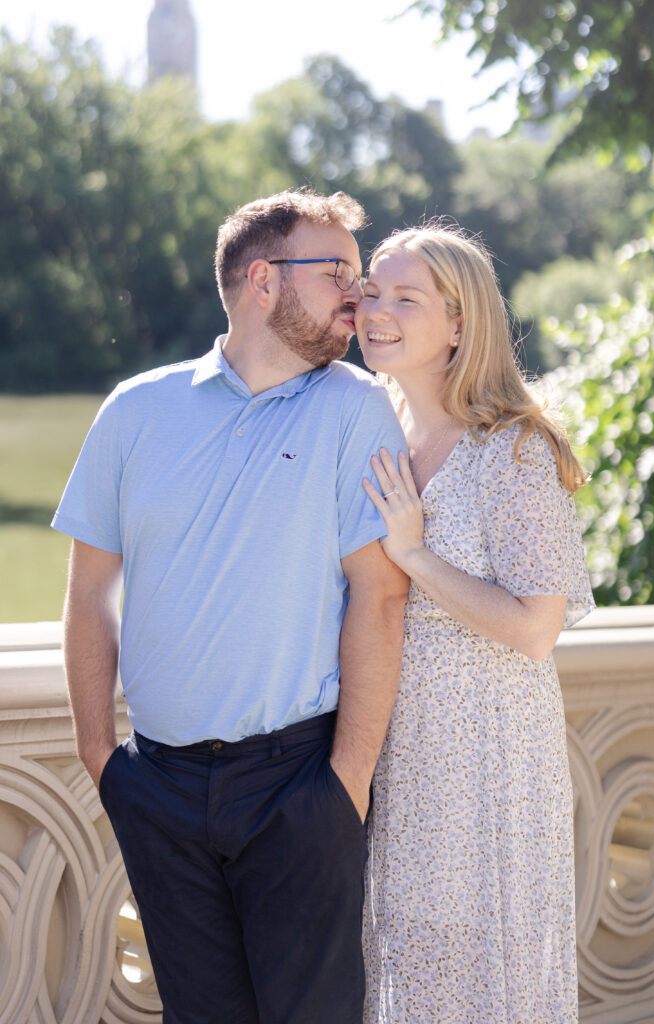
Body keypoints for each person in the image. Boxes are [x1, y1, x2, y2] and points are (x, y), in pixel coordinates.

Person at [52, 189, 409, 1024]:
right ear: (261, 280)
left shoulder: (356, 410)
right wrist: (104, 758)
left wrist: (344, 783)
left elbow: (379, 596)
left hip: (297, 785)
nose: (356, 298)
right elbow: (88, 596)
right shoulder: (135, 411)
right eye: (337, 275)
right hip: (159, 788)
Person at [354, 224, 595, 1024]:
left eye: (404, 298)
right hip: (398, 753)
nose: (375, 311)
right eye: (371, 292)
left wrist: (417, 557)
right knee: (408, 976)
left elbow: (535, 628)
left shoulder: (513, 448)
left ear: (459, 323)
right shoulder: (370, 425)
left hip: (487, 764)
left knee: (486, 981)